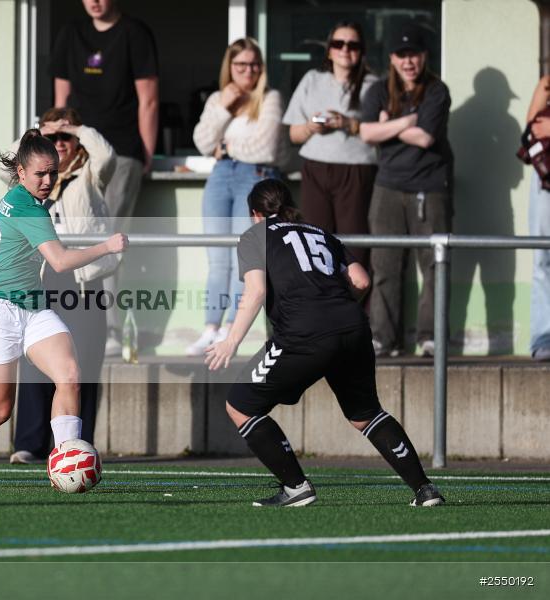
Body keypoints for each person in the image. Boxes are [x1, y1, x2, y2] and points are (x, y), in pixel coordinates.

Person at [205, 179, 444, 508]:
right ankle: (425, 489)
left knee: (240, 406)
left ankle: (296, 487)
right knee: (366, 414)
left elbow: (256, 291)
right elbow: (362, 280)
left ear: (256, 214)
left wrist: (230, 341)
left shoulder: (254, 235)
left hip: (304, 332)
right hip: (353, 326)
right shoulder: (321, 233)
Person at [0, 129, 127, 488]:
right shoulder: (30, 209)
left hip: (33, 308)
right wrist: (108, 246)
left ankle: (65, 460)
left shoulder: (13, 198)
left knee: (70, 375)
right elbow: (59, 262)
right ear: (21, 173)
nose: (47, 180)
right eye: (39, 173)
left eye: (53, 173)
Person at [8, 108, 118, 464]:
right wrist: (39, 131)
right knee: (36, 362)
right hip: (41, 280)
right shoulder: (30, 180)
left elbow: (106, 154)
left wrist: (77, 126)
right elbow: (9, 160)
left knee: (83, 365)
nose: (60, 144)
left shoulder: (91, 174)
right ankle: (30, 443)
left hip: (84, 282)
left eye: (65, 138)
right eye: (53, 140)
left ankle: (78, 445)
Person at [52, 0, 158, 354]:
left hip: (121, 152)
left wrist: (146, 154)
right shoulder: (71, 34)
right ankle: (65, 321)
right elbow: (61, 99)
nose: (94, 2)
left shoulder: (134, 34)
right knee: (68, 237)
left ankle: (109, 328)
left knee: (110, 240)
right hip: (74, 157)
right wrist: (58, 142)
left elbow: (149, 99)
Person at [187, 37, 288, 356]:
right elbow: (202, 141)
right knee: (217, 258)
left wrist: (227, 146)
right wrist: (224, 108)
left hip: (254, 175)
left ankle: (233, 328)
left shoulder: (270, 98)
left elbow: (266, 147)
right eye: (240, 65)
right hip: (220, 176)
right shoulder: (219, 98)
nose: (248, 71)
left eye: (254, 65)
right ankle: (211, 328)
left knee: (240, 258)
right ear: (229, 68)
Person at [359, 24, 453, 358]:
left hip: (430, 187)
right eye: (401, 55)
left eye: (413, 53)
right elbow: (366, 133)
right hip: (387, 188)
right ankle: (384, 339)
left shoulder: (437, 91)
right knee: (384, 265)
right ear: (393, 59)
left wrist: (389, 125)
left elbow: (426, 138)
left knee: (433, 265)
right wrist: (406, 122)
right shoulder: (379, 90)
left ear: (424, 56)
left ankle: (429, 338)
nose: (408, 61)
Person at [282, 21, 378, 269]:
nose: (345, 49)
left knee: (354, 248)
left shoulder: (374, 85)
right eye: (338, 43)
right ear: (329, 50)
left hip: (357, 169)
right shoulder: (312, 80)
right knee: (315, 243)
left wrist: (348, 123)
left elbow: (381, 134)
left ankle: (353, 305)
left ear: (362, 50)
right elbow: (293, 135)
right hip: (316, 168)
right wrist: (312, 127)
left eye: (352, 44)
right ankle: (320, 304)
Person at [525, 75, 550, 361]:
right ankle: (544, 337)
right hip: (546, 179)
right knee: (543, 255)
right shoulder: (547, 83)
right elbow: (530, 131)